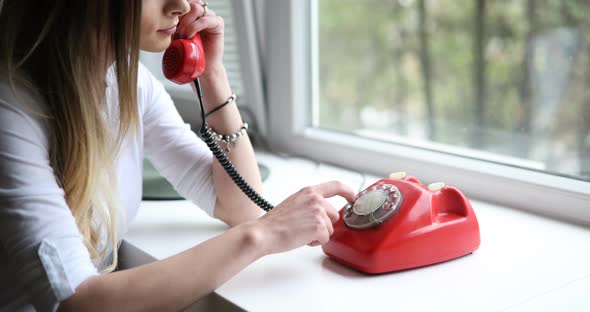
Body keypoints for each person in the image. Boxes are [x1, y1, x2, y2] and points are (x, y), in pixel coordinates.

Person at [0, 0, 356, 311]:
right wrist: (264, 235)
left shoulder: (129, 85)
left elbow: (237, 204)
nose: (182, 6)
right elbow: (77, 301)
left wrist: (213, 73)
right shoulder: (11, 106)